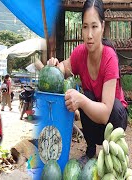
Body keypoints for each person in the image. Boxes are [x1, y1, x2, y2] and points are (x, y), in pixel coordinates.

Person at [47, 0, 128, 165]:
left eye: (94, 26)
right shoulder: (80, 53)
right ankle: (91, 151)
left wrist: (82, 100)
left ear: (103, 26)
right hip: (94, 121)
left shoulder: (110, 57)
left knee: (113, 106)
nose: (89, 34)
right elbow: (64, 67)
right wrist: (55, 66)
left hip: (113, 121)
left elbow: (105, 112)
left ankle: (112, 153)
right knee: (88, 96)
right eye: (85, 27)